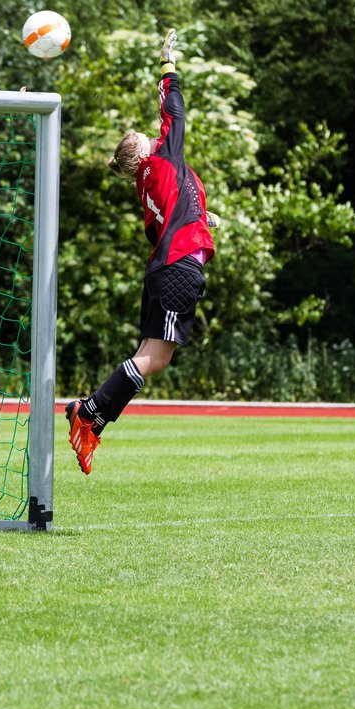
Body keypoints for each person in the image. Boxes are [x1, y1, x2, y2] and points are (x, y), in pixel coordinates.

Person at [66, 28, 218, 475]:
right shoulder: (161, 160)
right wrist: (167, 65)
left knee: (154, 356)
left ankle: (91, 419)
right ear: (144, 150)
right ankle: (88, 412)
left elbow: (168, 218)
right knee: (153, 358)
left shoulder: (149, 181)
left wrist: (201, 218)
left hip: (165, 267)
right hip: (176, 269)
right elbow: (174, 110)